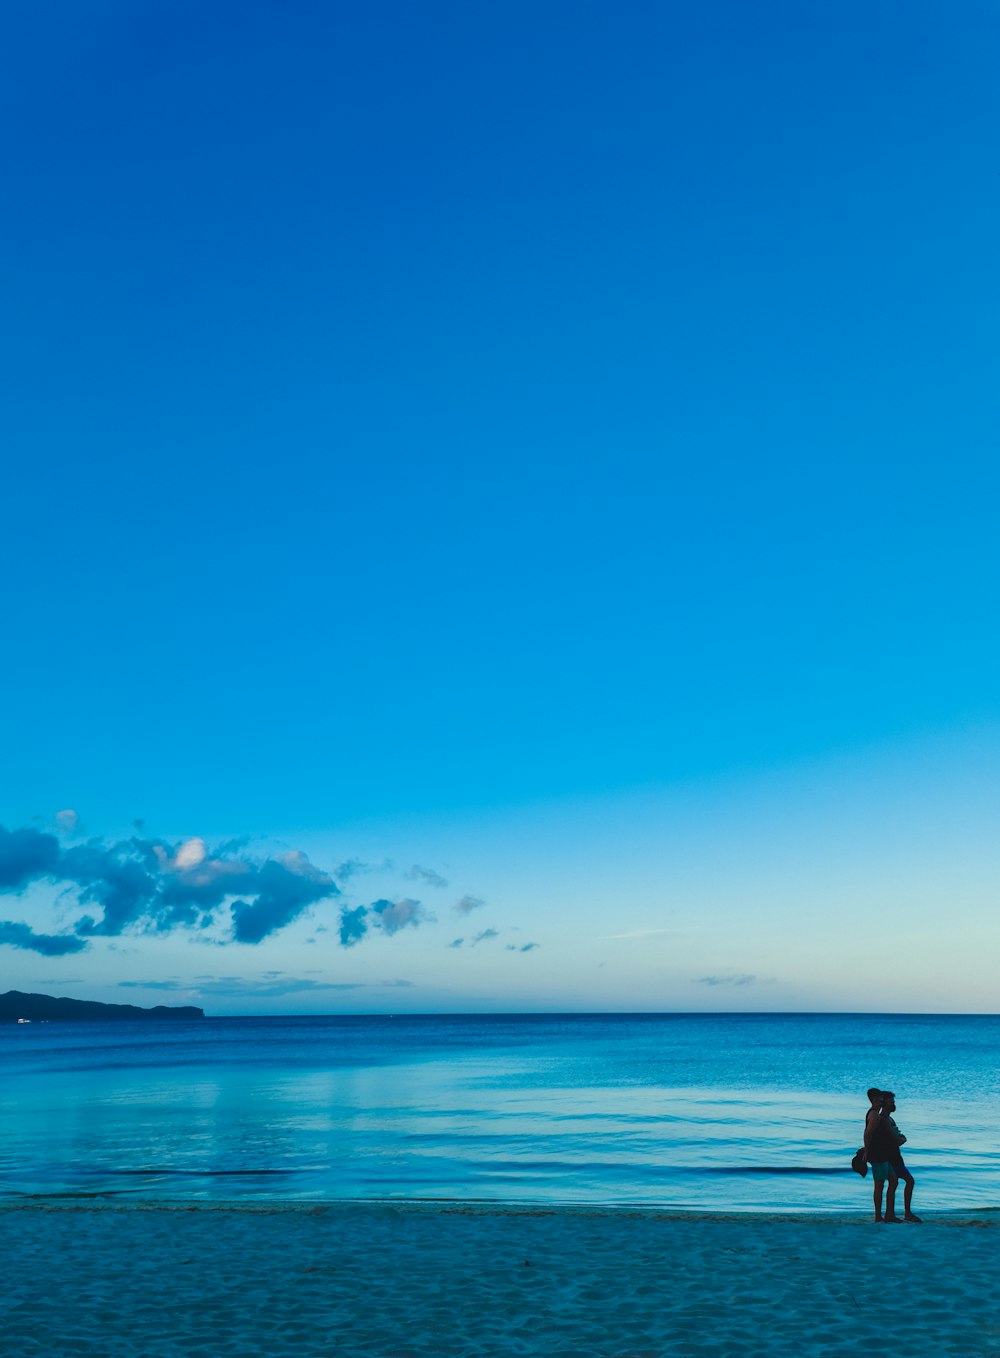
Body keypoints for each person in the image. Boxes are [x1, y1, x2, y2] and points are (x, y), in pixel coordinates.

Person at [881, 1090, 921, 1222]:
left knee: (907, 1181)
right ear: (884, 1103)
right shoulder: (884, 1120)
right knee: (895, 1183)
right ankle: (890, 1214)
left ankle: (905, 1213)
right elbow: (896, 1140)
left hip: (896, 1157)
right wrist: (902, 1139)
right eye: (891, 1102)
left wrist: (900, 1138)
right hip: (890, 1158)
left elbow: (896, 1138)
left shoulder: (890, 1119)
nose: (893, 1104)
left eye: (893, 1102)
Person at [863, 1087, 898, 1222]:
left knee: (893, 1181)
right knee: (879, 1185)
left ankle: (889, 1214)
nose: (882, 1100)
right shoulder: (874, 1115)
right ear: (875, 1099)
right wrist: (867, 1151)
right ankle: (878, 1216)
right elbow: (867, 1134)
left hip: (883, 1154)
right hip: (877, 1154)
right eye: (880, 1098)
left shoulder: (875, 1114)